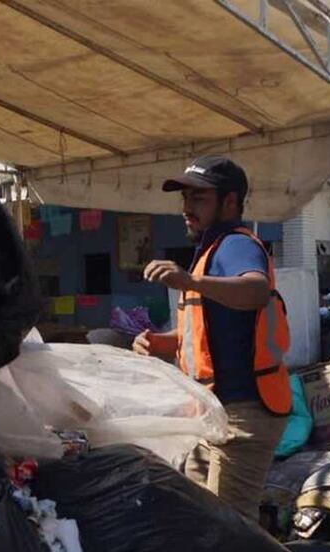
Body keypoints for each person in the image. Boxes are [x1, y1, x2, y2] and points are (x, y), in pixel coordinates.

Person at [132, 155, 291, 521]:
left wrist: (189, 281)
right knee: (201, 515)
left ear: (230, 202)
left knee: (228, 526)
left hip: (243, 416)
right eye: (185, 199)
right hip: (215, 412)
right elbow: (209, 332)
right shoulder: (211, 249)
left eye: (199, 198)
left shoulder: (236, 245)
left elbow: (255, 290)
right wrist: (163, 342)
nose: (187, 208)